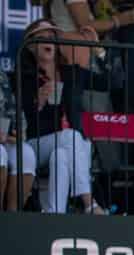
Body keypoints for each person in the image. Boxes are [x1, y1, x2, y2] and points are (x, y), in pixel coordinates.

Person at [18, 19, 105, 214]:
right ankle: (89, 203)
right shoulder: (22, 76)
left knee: (61, 155)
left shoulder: (70, 73)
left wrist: (99, 51)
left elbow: (110, 83)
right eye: (43, 37)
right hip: (34, 144)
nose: (49, 40)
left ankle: (53, 214)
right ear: (31, 46)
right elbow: (17, 119)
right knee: (71, 137)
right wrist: (38, 103)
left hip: (70, 146)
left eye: (53, 37)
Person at [0, 69, 36, 211]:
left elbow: (14, 108)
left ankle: (13, 215)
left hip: (5, 138)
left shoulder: (1, 75)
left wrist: (19, 132)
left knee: (26, 154)